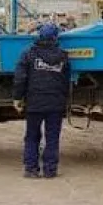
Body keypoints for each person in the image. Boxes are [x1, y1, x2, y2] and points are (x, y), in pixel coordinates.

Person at [12, 22, 71, 178]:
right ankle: (50, 170)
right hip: (55, 104)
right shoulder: (63, 56)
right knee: (52, 137)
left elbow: (19, 78)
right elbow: (66, 81)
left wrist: (18, 98)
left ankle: (31, 169)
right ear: (55, 37)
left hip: (34, 103)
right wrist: (63, 100)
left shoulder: (28, 54)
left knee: (32, 136)